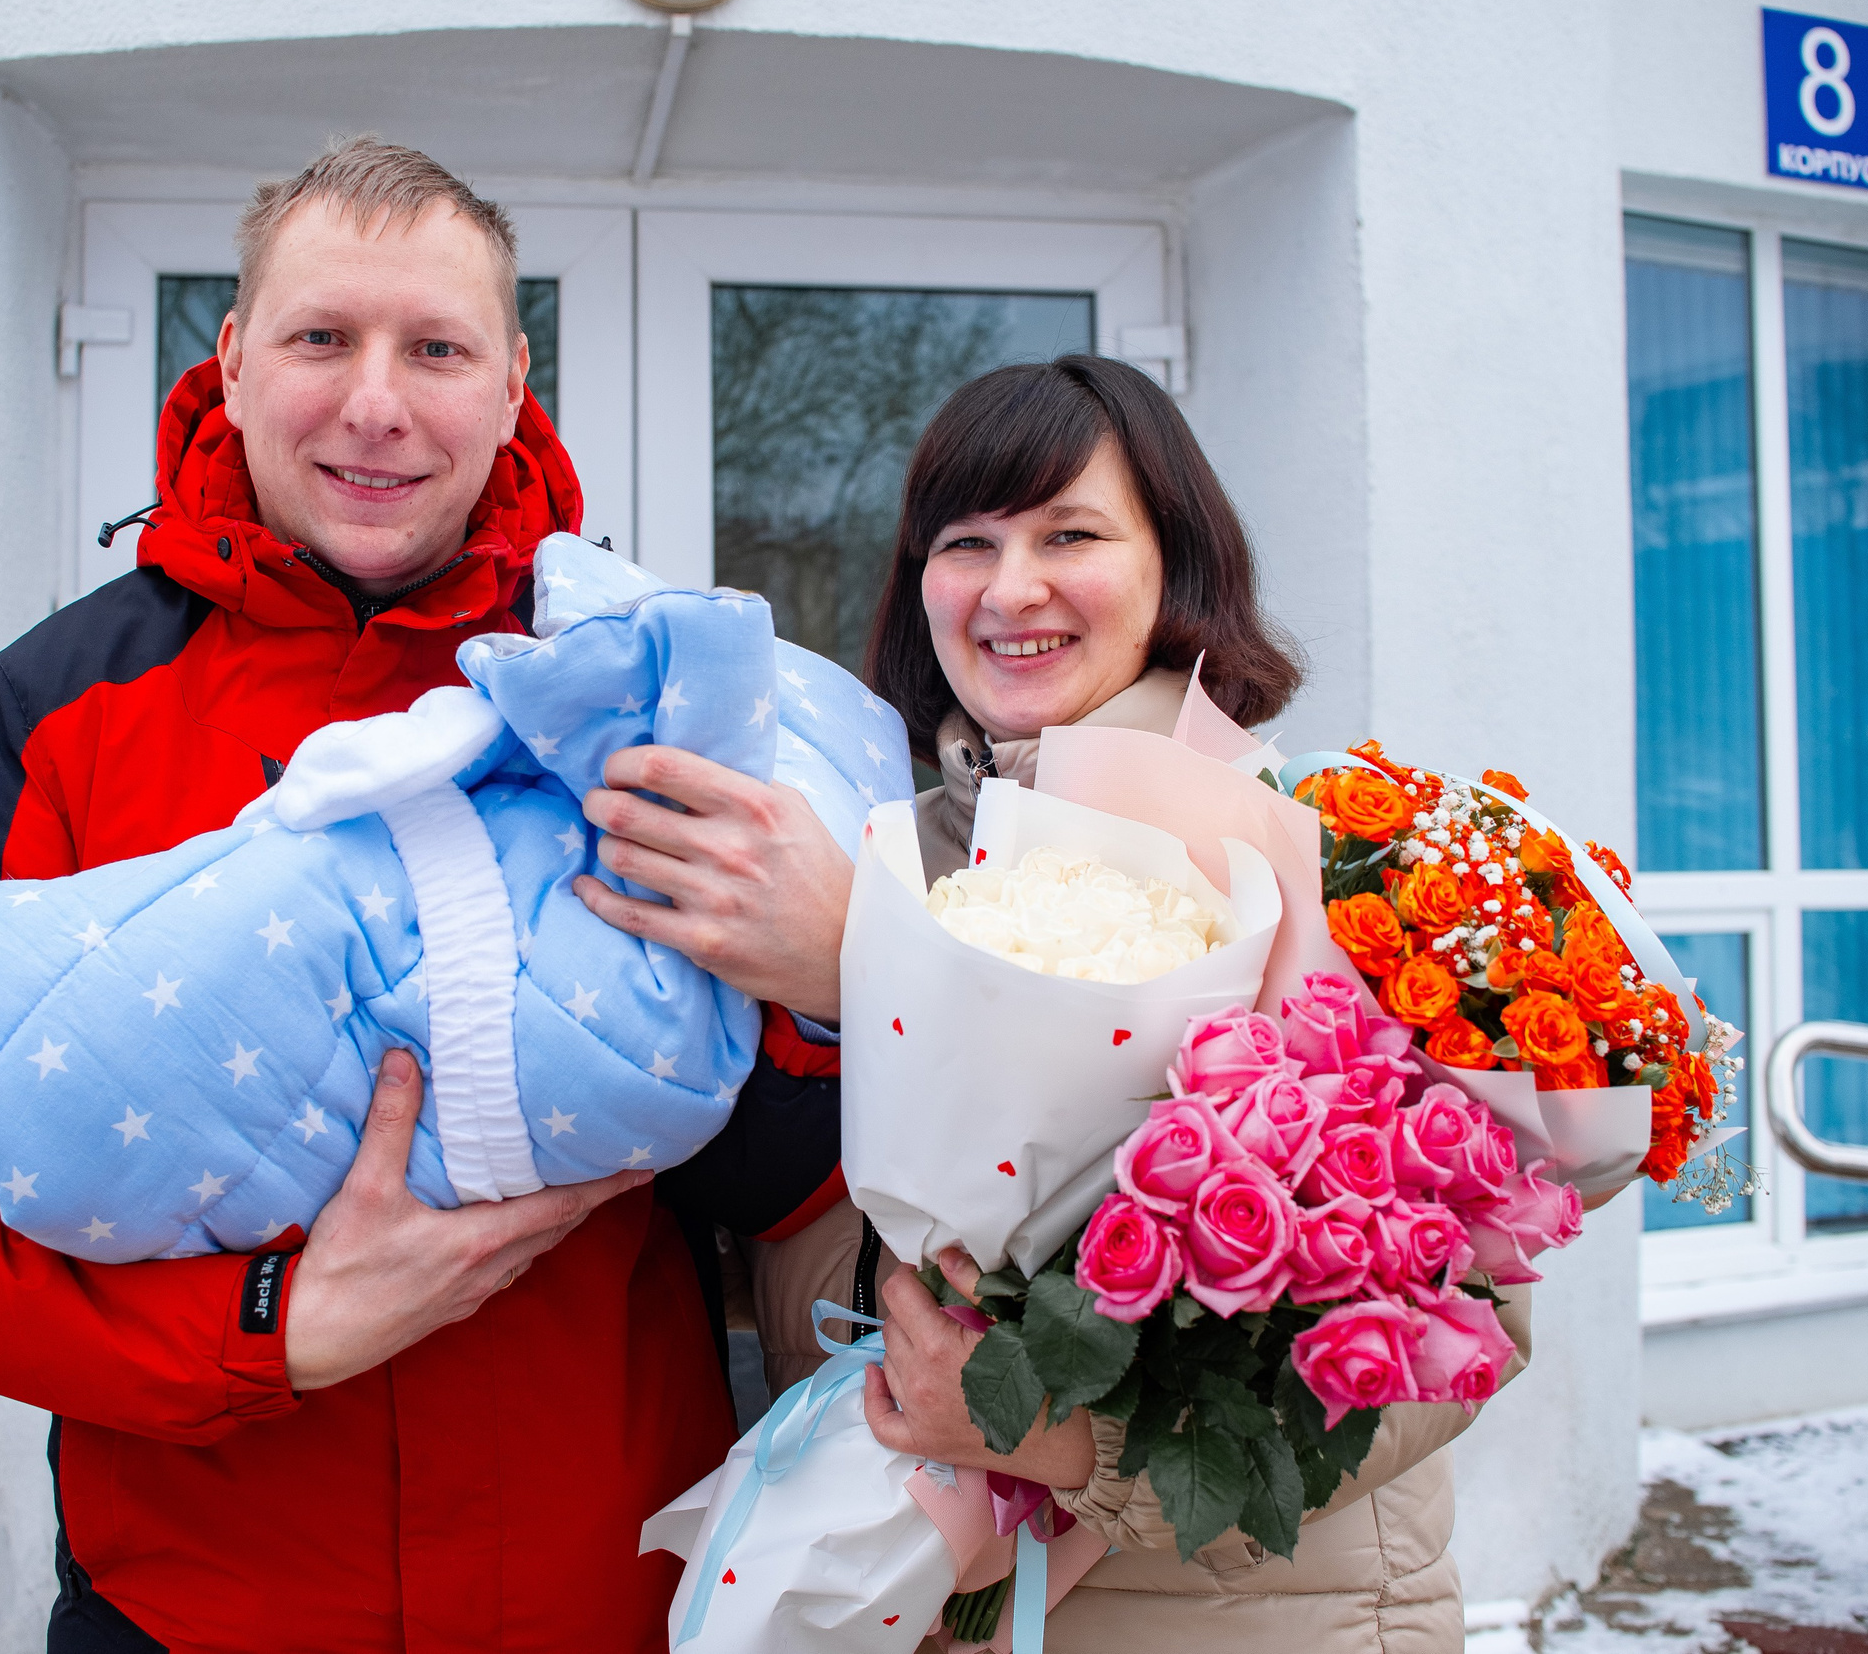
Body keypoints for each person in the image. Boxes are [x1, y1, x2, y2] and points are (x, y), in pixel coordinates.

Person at [0, 138, 842, 1654]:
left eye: (435, 347)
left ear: (511, 379)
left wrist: (830, 973)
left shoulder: (639, 672)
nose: (376, 403)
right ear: (229, 358)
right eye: (321, 338)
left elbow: (792, 1169)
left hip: (605, 1607)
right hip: (194, 1616)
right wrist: (267, 1326)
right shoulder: (60, 703)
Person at [580, 354, 1532, 1650]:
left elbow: (1462, 1328)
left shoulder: (1322, 853)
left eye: (1069, 534)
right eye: (964, 541)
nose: (1009, 586)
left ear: (1174, 565)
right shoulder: (878, 854)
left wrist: (1074, 1439)